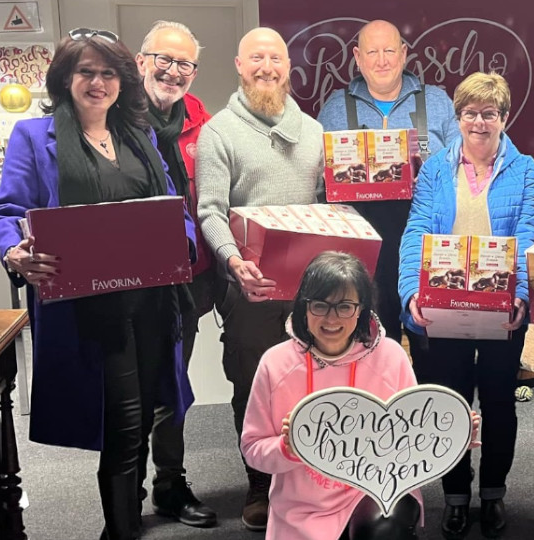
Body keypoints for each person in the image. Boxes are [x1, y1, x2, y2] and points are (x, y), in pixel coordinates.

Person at [0, 28, 197, 540]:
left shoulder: (139, 137)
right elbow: (7, 213)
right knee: (123, 427)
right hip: (92, 312)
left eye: (108, 73)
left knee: (145, 414)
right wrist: (14, 251)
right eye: (86, 71)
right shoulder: (34, 137)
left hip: (151, 302)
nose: (97, 82)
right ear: (66, 79)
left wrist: (184, 240)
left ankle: (125, 520)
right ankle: (121, 531)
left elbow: (175, 209)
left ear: (123, 82)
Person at [398, 72, 534, 539]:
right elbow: (415, 231)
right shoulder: (436, 168)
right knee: (450, 404)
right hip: (443, 304)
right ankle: (456, 497)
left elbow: (527, 233)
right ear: (457, 117)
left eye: (489, 113)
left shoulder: (524, 170)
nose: (479, 122)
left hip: (502, 308)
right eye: (470, 113)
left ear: (503, 117)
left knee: (500, 404)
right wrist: (409, 292)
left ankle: (494, 495)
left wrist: (519, 292)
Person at [241, 251, 469, 540]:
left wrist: (451, 436)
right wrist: (288, 449)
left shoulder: (391, 356)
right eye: (320, 306)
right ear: (304, 307)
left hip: (376, 494)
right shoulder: (276, 364)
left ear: (361, 309)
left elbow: (413, 442)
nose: (332, 318)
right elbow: (253, 448)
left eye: (345, 306)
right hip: (304, 506)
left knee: (384, 530)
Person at [196, 26, 324, 531]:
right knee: (252, 384)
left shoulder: (312, 130)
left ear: (288, 67)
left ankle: (313, 473)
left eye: (275, 58)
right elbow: (209, 211)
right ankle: (258, 483)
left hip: (309, 289)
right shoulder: (219, 132)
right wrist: (232, 259)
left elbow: (325, 204)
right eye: (256, 58)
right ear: (238, 65)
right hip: (246, 286)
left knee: (311, 383)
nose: (266, 66)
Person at [317, 19, 458, 344]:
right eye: (373, 51)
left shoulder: (437, 103)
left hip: (427, 244)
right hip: (362, 251)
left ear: (404, 54)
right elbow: (319, 184)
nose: (382, 60)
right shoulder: (335, 109)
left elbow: (461, 168)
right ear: (357, 56)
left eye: (389, 50)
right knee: (373, 343)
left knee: (432, 343)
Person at [135, 20, 216, 528]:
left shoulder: (205, 124)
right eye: (163, 59)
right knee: (131, 382)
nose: (173, 70)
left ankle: (170, 484)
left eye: (184, 63)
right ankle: (125, 484)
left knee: (173, 377)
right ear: (140, 61)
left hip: (191, 274)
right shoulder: (115, 121)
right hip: (132, 277)